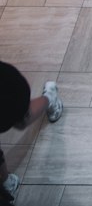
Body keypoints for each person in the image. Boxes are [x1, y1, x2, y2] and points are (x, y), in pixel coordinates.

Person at [0, 61, 63, 198]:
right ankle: (7, 182)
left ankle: (49, 97)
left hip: (7, 91)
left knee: (21, 119)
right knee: (21, 119)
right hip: (7, 87)